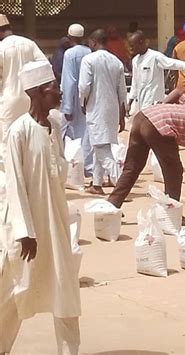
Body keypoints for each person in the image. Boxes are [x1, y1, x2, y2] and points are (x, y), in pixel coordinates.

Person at [0, 60, 81, 354]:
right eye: (52, 88)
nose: (58, 92)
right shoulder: (18, 131)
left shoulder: (56, 124)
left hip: (55, 222)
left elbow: (58, 172)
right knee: (15, 291)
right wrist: (25, 231)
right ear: (35, 93)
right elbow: (15, 183)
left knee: (66, 291)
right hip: (28, 230)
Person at [107, 89, 185, 212]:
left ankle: (111, 206)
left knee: (132, 167)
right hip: (160, 127)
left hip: (143, 116)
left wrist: (161, 106)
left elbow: (177, 93)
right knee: (175, 171)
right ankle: (171, 213)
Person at [79, 29, 127, 195]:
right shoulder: (116, 61)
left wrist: (82, 102)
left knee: (101, 149)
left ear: (93, 42)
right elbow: (122, 92)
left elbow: (84, 86)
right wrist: (122, 115)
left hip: (97, 108)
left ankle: (121, 186)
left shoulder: (89, 60)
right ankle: (96, 184)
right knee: (99, 145)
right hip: (112, 110)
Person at [0, 14, 47, 144]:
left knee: (8, 139)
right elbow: (45, 65)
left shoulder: (1, 48)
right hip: (32, 99)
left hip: (9, 100)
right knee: (30, 137)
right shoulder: (29, 43)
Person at [128, 31, 185, 112]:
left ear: (140, 42)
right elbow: (134, 82)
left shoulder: (155, 56)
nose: (131, 49)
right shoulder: (135, 60)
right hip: (140, 102)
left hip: (153, 102)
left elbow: (171, 63)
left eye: (132, 46)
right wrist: (129, 102)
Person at [60, 23, 93, 177]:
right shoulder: (90, 52)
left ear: (69, 37)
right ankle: (87, 167)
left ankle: (76, 169)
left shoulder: (70, 54)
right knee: (86, 133)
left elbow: (69, 81)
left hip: (73, 99)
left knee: (72, 134)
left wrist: (67, 107)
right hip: (89, 98)